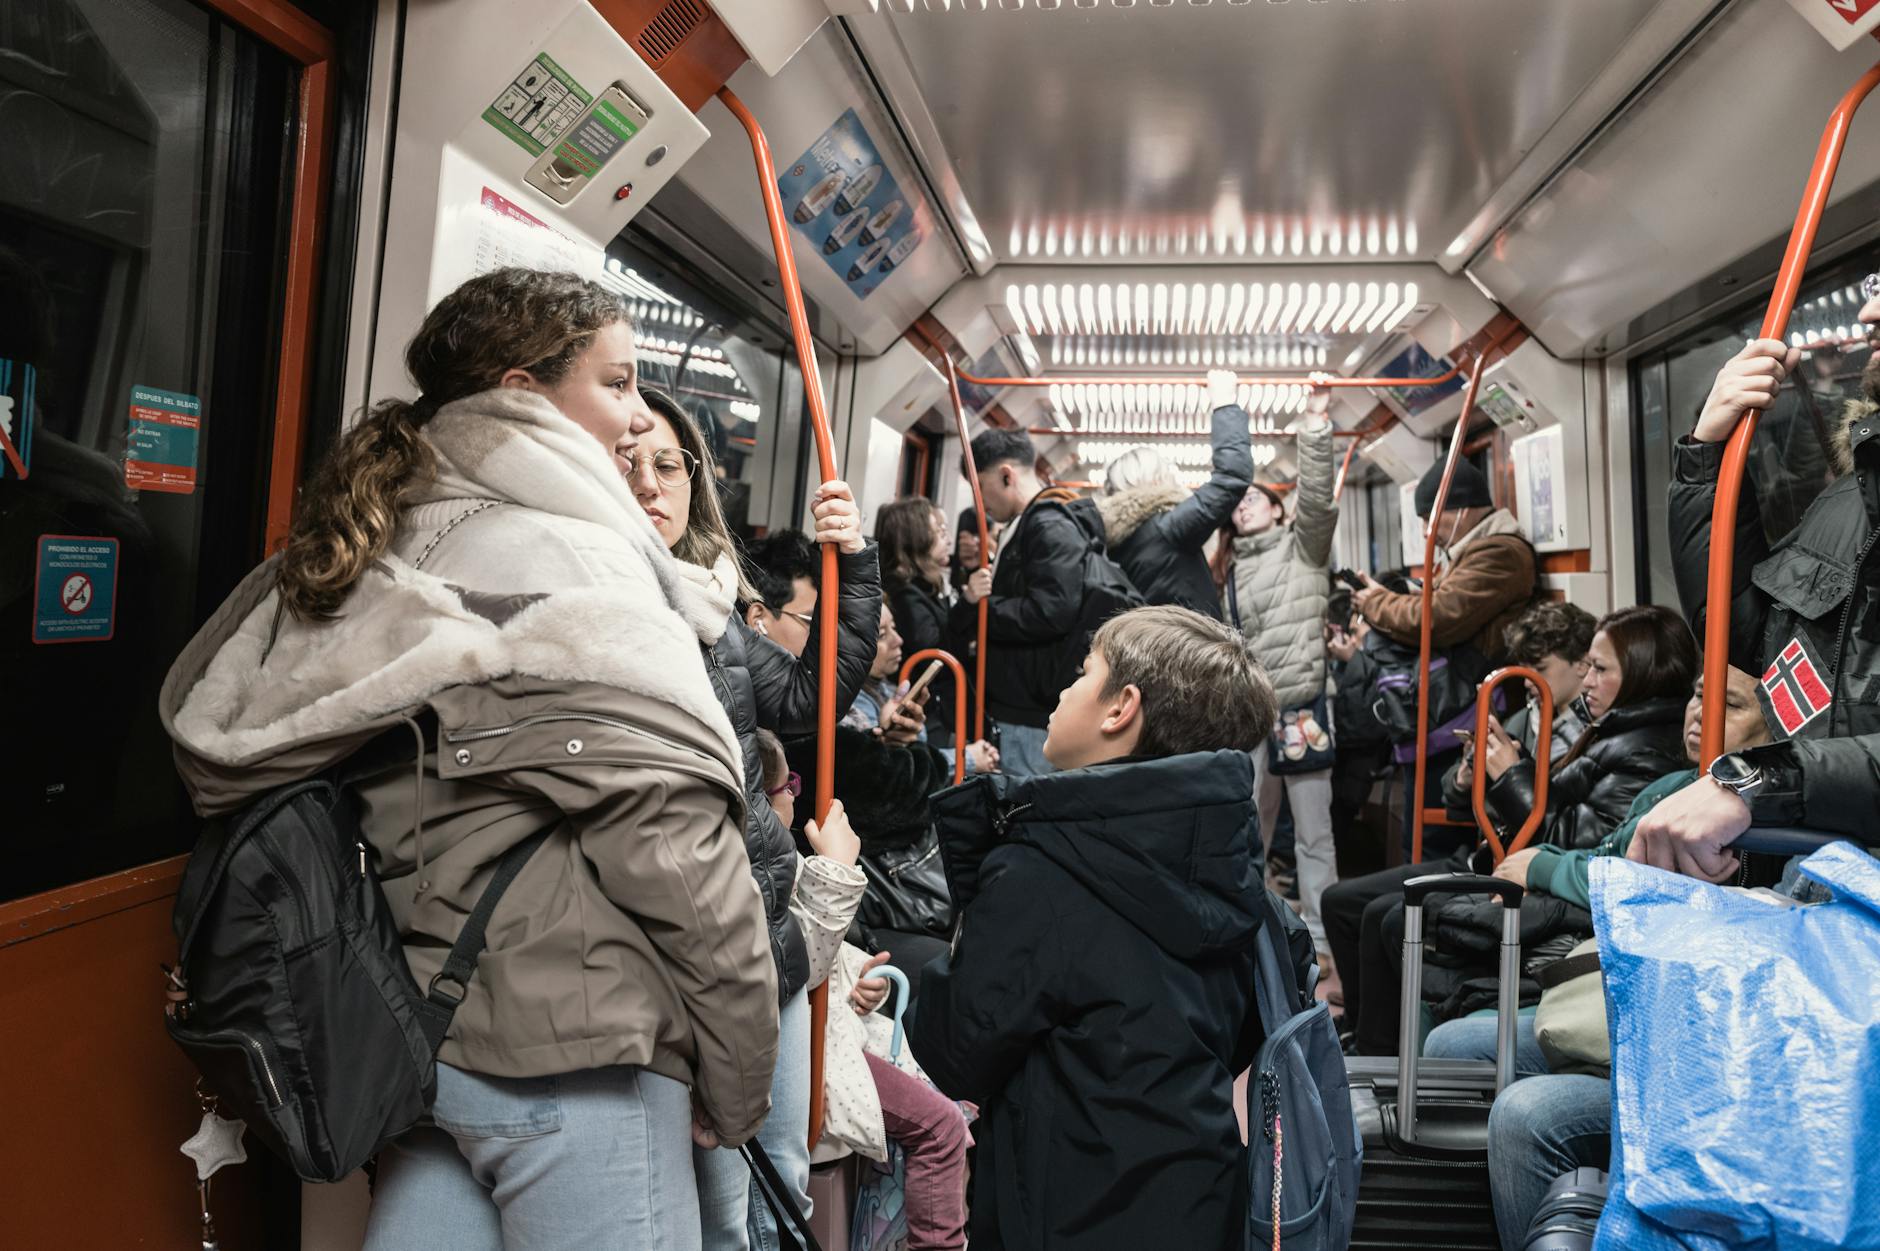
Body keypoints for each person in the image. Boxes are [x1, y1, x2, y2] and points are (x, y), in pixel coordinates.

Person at [160, 268, 778, 1248]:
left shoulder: (380, 543)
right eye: (616, 383)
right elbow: (681, 861)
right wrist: (742, 1080)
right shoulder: (573, 568)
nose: (633, 419)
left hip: (428, 1042)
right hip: (578, 1056)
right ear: (523, 394)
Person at [907, 605, 1280, 1251]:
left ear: (1120, 708)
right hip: (1199, 1191)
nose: (1064, 689)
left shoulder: (1045, 871)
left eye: (1084, 673)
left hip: (1070, 1207)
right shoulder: (1223, 857)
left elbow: (956, 1050)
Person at [632, 389, 880, 1251]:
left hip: (769, 921)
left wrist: (854, 562)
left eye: (668, 465)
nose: (649, 484)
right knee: (726, 1210)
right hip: (719, 944)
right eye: (627, 463)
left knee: (781, 1184)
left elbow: (812, 696)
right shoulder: (616, 612)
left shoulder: (710, 609)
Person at [1423, 665, 1773, 1251]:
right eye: (1695, 694)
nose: (1698, 713)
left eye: (1728, 705)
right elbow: (1604, 849)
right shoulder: (1671, 787)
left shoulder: (1748, 817)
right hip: (1628, 1000)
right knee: (1449, 1045)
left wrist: (1539, 852)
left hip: (1686, 1036)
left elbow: (1625, 880)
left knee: (1527, 1112)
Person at [1323, 603, 1691, 1058]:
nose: (1588, 681)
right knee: (1361, 906)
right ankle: (1374, 1047)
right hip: (1507, 860)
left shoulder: (1638, 747)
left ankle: (1385, 1057)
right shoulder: (1600, 731)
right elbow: (1536, 808)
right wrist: (1479, 777)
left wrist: (1510, 775)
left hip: (1542, 885)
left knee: (1396, 916)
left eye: (1599, 669)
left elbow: (1574, 838)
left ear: (1641, 672)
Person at [1643, 315, 1880, 878]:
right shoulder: (1850, 497)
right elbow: (1754, 638)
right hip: (1830, 874)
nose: (1870, 313)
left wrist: (1769, 780)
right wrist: (1710, 454)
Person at [753, 738, 970, 1251]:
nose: (795, 798)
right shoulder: (770, 865)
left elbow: (816, 958)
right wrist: (839, 868)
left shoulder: (775, 857)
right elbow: (791, 965)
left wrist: (854, 989)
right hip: (801, 1048)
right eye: (791, 787)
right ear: (764, 799)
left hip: (826, 1027)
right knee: (942, 1128)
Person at [1352, 457, 1539, 859]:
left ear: (1461, 509)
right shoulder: (1470, 552)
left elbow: (1435, 619)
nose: (1426, 532)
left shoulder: (1501, 554)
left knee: (1434, 838)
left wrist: (1375, 603)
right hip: (1453, 706)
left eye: (1429, 518)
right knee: (1421, 831)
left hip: (1466, 708)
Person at [1222, 378, 1339, 963]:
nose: (1243, 504)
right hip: (1253, 714)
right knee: (1250, 829)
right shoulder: (1229, 573)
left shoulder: (1303, 550)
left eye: (1254, 496)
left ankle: (1319, 937)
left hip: (1301, 708)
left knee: (1313, 833)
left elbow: (1318, 499)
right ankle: (1254, 928)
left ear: (1276, 506)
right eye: (1234, 499)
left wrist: (1314, 428)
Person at [958, 428, 1111, 779]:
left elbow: (1051, 610)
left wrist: (983, 608)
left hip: (1029, 706)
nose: (979, 502)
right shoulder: (1031, 524)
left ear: (1006, 475)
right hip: (1026, 698)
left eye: (980, 487)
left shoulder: (1047, 525)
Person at [1094, 367, 1253, 617]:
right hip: (1192, 651)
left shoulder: (1111, 542)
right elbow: (1232, 476)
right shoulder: (1168, 530)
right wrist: (1224, 403)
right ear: (1156, 479)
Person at [1441, 600, 1598, 823]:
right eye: (1524, 671)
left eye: (1540, 669)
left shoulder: (1595, 730)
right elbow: (1457, 801)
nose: (1527, 682)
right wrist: (1463, 781)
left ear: (1582, 664)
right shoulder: (1523, 720)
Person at [877, 497, 974, 748]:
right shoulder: (904, 594)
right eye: (937, 532)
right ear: (916, 539)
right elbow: (933, 650)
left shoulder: (926, 586)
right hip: (928, 709)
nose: (947, 540)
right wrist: (968, 604)